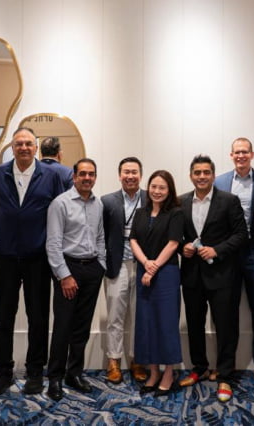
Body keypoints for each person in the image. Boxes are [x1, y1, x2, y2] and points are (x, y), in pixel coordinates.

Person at [0, 127, 67, 396]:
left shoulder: (51, 176)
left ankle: (35, 372)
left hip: (38, 257)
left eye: (28, 144)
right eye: (19, 143)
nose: (23, 148)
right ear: (12, 147)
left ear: (36, 147)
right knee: (4, 316)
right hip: (6, 255)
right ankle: (2, 372)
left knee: (38, 317)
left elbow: (57, 212)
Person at [179, 155, 248, 402]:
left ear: (213, 175)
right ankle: (199, 368)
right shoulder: (180, 202)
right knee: (194, 324)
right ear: (191, 176)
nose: (201, 177)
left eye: (206, 172)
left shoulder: (229, 201)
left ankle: (225, 376)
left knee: (226, 326)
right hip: (192, 276)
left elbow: (241, 235)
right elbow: (176, 237)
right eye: (197, 172)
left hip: (222, 275)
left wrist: (217, 250)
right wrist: (183, 248)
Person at [214, 137, 254, 384]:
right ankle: (226, 364)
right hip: (228, 253)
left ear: (252, 154)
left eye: (245, 152)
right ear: (231, 155)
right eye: (237, 152)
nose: (241, 156)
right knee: (226, 311)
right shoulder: (220, 182)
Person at [45, 158, 106, 401]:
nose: (87, 178)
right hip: (68, 269)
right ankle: (55, 377)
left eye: (91, 174)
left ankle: (74, 373)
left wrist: (101, 265)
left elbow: (100, 236)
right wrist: (65, 275)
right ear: (74, 176)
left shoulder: (97, 204)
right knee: (63, 326)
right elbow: (53, 243)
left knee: (82, 326)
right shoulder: (60, 203)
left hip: (92, 269)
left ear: (95, 177)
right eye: (83, 174)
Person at [129, 170, 184, 396]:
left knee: (166, 324)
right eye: (153, 186)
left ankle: (168, 373)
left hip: (166, 273)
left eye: (162, 187)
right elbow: (133, 239)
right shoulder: (140, 212)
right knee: (147, 323)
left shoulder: (176, 213)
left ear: (169, 190)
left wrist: (154, 267)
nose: (157, 191)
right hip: (144, 270)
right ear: (148, 187)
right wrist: (145, 263)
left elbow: (173, 243)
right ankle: (153, 372)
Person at [101, 157, 149, 384]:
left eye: (134, 172)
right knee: (115, 317)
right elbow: (100, 234)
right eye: (126, 172)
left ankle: (137, 360)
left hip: (144, 265)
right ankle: (114, 362)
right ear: (119, 175)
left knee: (140, 316)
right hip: (117, 265)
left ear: (141, 175)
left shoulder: (151, 198)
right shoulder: (107, 201)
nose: (130, 176)